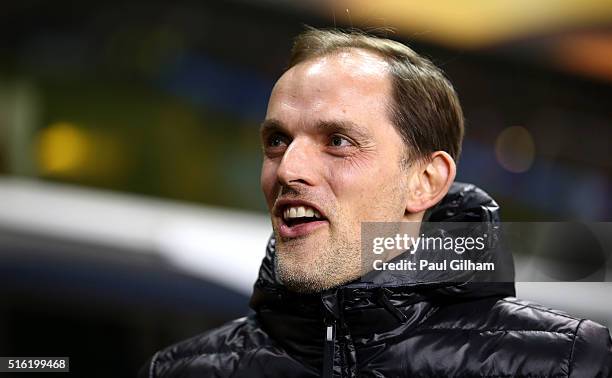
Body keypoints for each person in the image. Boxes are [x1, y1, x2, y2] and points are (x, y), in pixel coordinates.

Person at [139, 28, 612, 377]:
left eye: (338, 140)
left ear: (425, 181)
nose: (287, 169)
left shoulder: (570, 364)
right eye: (278, 140)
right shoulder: (178, 371)